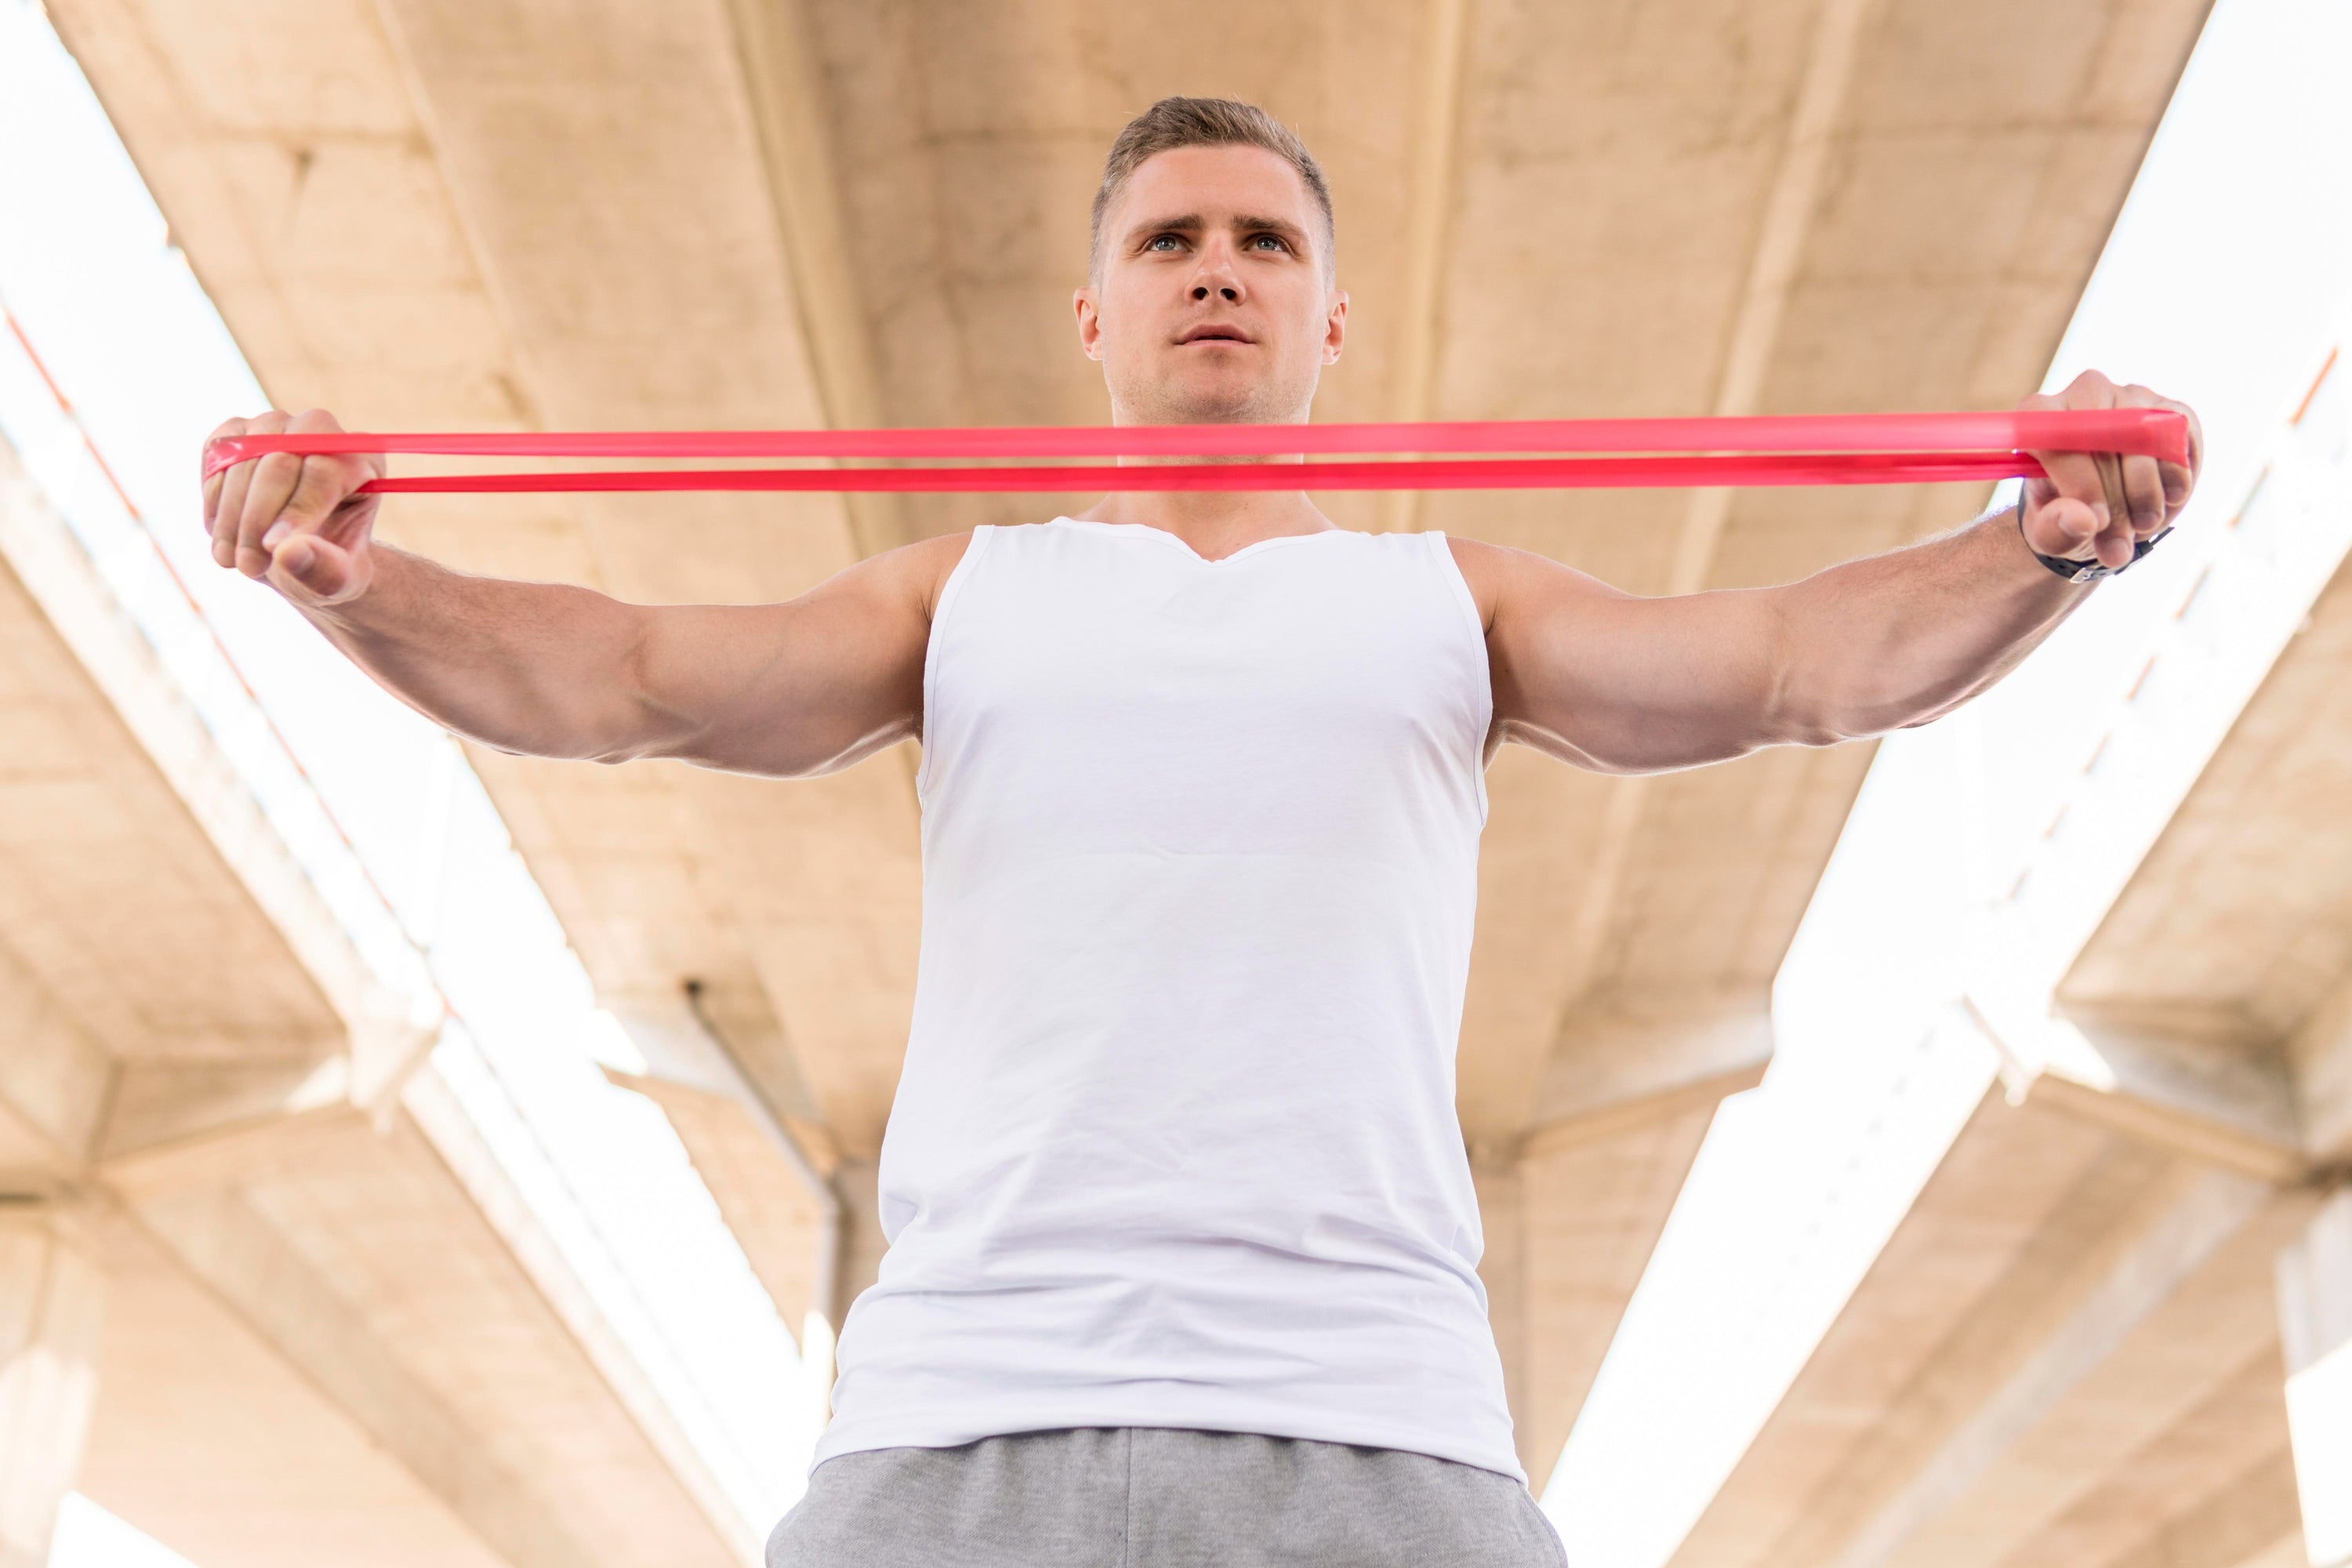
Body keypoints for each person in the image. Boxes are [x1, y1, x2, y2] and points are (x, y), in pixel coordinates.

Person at [203, 96, 2198, 1568]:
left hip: (1379, 1435)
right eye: (1169, 242)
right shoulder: (965, 589)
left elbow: (1787, 664)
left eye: (1262, 241)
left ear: (1331, 324)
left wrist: (2041, 536)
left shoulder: (1455, 599)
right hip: (958, 1430)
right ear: (1097, 316)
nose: (1219, 268)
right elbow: (625, 678)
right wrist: (354, 578)